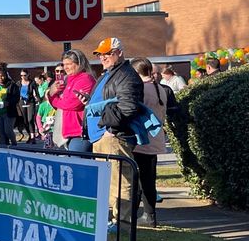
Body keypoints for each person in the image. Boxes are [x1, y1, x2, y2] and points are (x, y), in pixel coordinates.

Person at [85, 37, 146, 228]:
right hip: (102, 137)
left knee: (119, 181)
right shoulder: (110, 74)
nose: (103, 57)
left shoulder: (127, 75)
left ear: (119, 52)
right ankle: (111, 220)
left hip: (114, 137)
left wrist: (109, 129)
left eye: (108, 53)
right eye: (100, 54)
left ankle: (122, 224)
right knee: (107, 182)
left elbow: (128, 107)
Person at [132, 57, 168, 228]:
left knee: (139, 179)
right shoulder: (160, 88)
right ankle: (150, 214)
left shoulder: (141, 90)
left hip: (141, 139)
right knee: (149, 178)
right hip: (156, 137)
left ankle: (145, 214)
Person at [48, 49, 97, 153]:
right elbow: (59, 105)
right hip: (68, 131)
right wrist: (52, 93)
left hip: (80, 132)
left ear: (79, 63)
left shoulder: (86, 79)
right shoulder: (66, 79)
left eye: (69, 64)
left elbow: (71, 104)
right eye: (64, 64)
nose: (65, 67)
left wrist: (52, 97)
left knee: (79, 164)